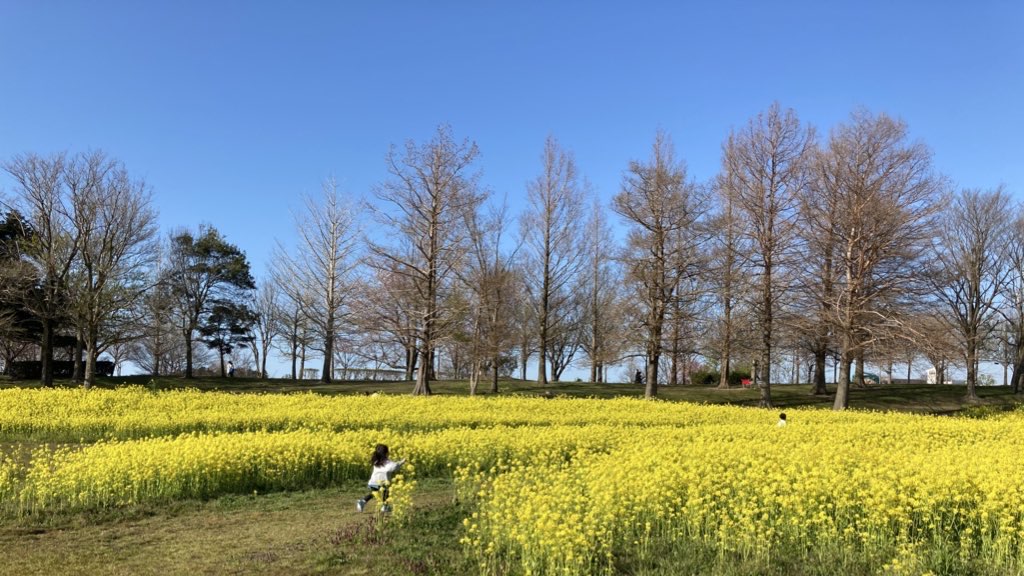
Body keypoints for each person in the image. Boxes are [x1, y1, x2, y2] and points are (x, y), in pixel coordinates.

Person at [357, 444, 405, 513]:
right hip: (382, 484)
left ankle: (363, 501)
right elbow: (395, 466)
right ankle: (385, 506)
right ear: (386, 453)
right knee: (386, 490)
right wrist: (402, 462)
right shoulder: (389, 463)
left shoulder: (376, 461)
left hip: (372, 483)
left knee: (375, 492)